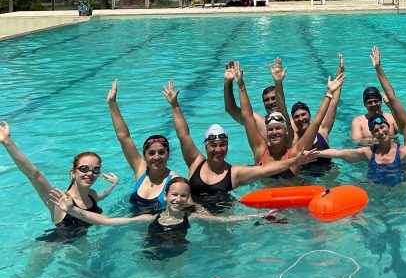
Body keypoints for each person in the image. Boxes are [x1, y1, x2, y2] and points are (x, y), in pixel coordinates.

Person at [163, 79, 317, 211]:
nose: (218, 149)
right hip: (193, 216)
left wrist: (294, 161)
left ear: (227, 147)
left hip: (224, 220)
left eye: (222, 144)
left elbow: (265, 169)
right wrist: (175, 106)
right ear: (206, 146)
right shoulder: (196, 162)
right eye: (213, 144)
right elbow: (183, 136)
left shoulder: (234, 173)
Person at [48, 177, 274, 258]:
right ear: (165, 196)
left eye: (183, 196)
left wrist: (262, 214)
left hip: (178, 255)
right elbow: (108, 221)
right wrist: (73, 210)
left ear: (188, 199)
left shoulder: (192, 217)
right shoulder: (149, 218)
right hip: (150, 254)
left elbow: (225, 220)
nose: (178, 199)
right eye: (174, 195)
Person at [0, 121, 118, 237]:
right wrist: (7, 142)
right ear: (73, 173)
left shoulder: (92, 195)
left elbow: (101, 196)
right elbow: (34, 174)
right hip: (56, 248)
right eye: (84, 168)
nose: (90, 173)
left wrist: (113, 185)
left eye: (95, 170)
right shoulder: (59, 200)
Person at [231, 60, 344, 179]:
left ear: (286, 131)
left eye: (278, 128)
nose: (274, 132)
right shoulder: (260, 151)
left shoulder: (294, 153)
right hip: (266, 196)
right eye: (270, 129)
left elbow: (316, 123)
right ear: (266, 132)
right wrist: (241, 86)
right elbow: (248, 117)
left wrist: (329, 93)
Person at [107, 78, 179, 214]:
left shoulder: (175, 181)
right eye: (151, 153)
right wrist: (112, 103)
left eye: (161, 152)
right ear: (144, 156)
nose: (156, 157)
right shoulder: (140, 169)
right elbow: (124, 137)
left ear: (168, 154)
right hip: (136, 231)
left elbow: (191, 208)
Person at [289, 53, 345, 171]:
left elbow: (334, 101)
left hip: (327, 173)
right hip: (306, 177)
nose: (301, 118)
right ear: (293, 119)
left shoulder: (322, 130)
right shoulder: (293, 138)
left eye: (303, 114)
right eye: (297, 117)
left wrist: (340, 70)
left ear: (309, 115)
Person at [224, 58, 293, 139]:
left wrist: (278, 83)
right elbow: (230, 109)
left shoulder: (292, 122)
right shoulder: (260, 122)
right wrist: (227, 82)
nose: (270, 102)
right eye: (266, 100)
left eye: (273, 98)